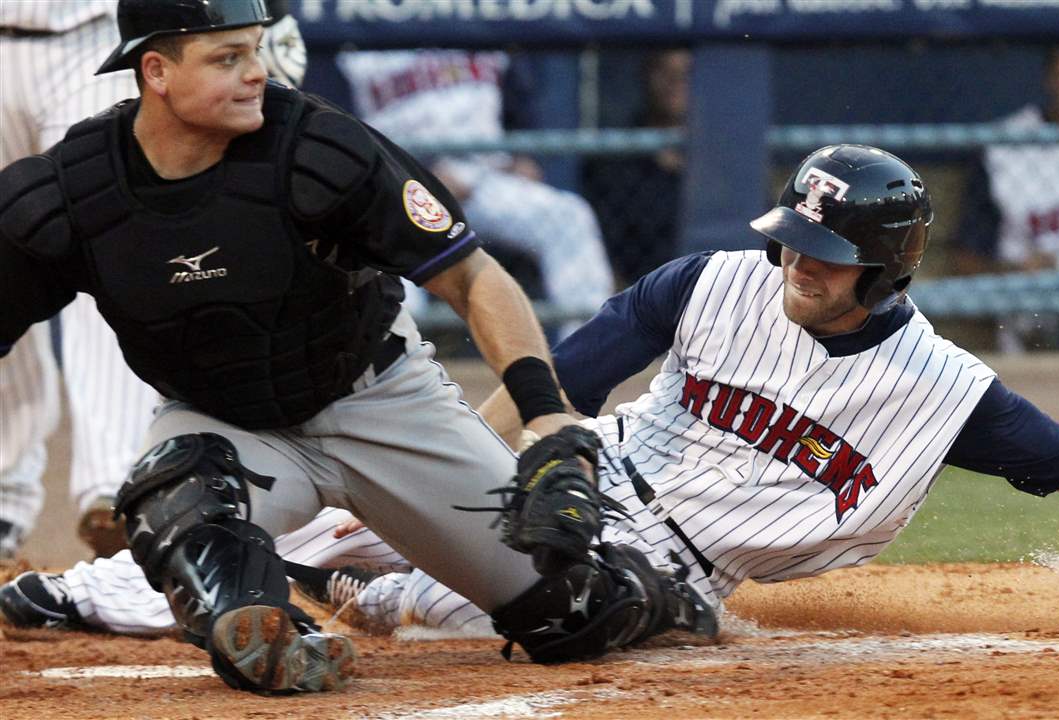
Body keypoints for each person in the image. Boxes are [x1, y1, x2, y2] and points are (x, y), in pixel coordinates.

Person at [8, 144, 1059, 641]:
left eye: (827, 256)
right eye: (794, 242)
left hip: (668, 569)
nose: (798, 264)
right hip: (588, 476)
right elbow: (556, 378)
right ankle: (80, 594)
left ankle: (320, 595)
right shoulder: (710, 283)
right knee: (356, 517)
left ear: (889, 266)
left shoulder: (947, 391)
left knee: (448, 606)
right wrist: (436, 492)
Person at [0, 0, 714, 695]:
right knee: (176, 504)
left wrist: (546, 414)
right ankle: (258, 631)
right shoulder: (76, 191)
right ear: (156, 71)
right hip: (225, 421)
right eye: (228, 58)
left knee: (572, 618)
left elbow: (472, 278)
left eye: (255, 50)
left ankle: (655, 595)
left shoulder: (315, 147)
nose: (257, 72)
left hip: (378, 401)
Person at [0, 0, 306, 560]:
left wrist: (272, 10)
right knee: (7, 261)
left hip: (94, 38)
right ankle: (2, 502)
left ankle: (114, 489)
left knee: (105, 236)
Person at [335, 48, 616, 335]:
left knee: (568, 216)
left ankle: (588, 353)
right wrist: (417, 176)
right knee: (386, 258)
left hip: (486, 182)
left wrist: (525, 157)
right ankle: (404, 366)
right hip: (402, 190)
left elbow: (519, 111)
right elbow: (341, 132)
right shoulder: (357, 38)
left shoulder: (482, 23)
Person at [952, 45, 1059, 352]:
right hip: (1037, 308)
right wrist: (1017, 272)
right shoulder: (1005, 146)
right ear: (1050, 80)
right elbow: (965, 260)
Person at [583, 49, 691, 286]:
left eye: (686, 73)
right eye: (664, 71)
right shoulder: (614, 162)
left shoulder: (722, 161)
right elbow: (601, 255)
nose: (675, 82)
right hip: (639, 298)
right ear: (645, 75)